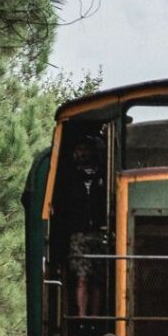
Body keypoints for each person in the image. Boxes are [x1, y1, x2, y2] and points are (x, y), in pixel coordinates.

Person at [61, 135, 107, 319]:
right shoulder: (69, 177)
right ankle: (82, 318)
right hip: (78, 234)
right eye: (79, 149)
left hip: (99, 233)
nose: (82, 153)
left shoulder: (103, 175)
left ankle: (95, 318)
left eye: (85, 149)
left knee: (98, 279)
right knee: (81, 278)